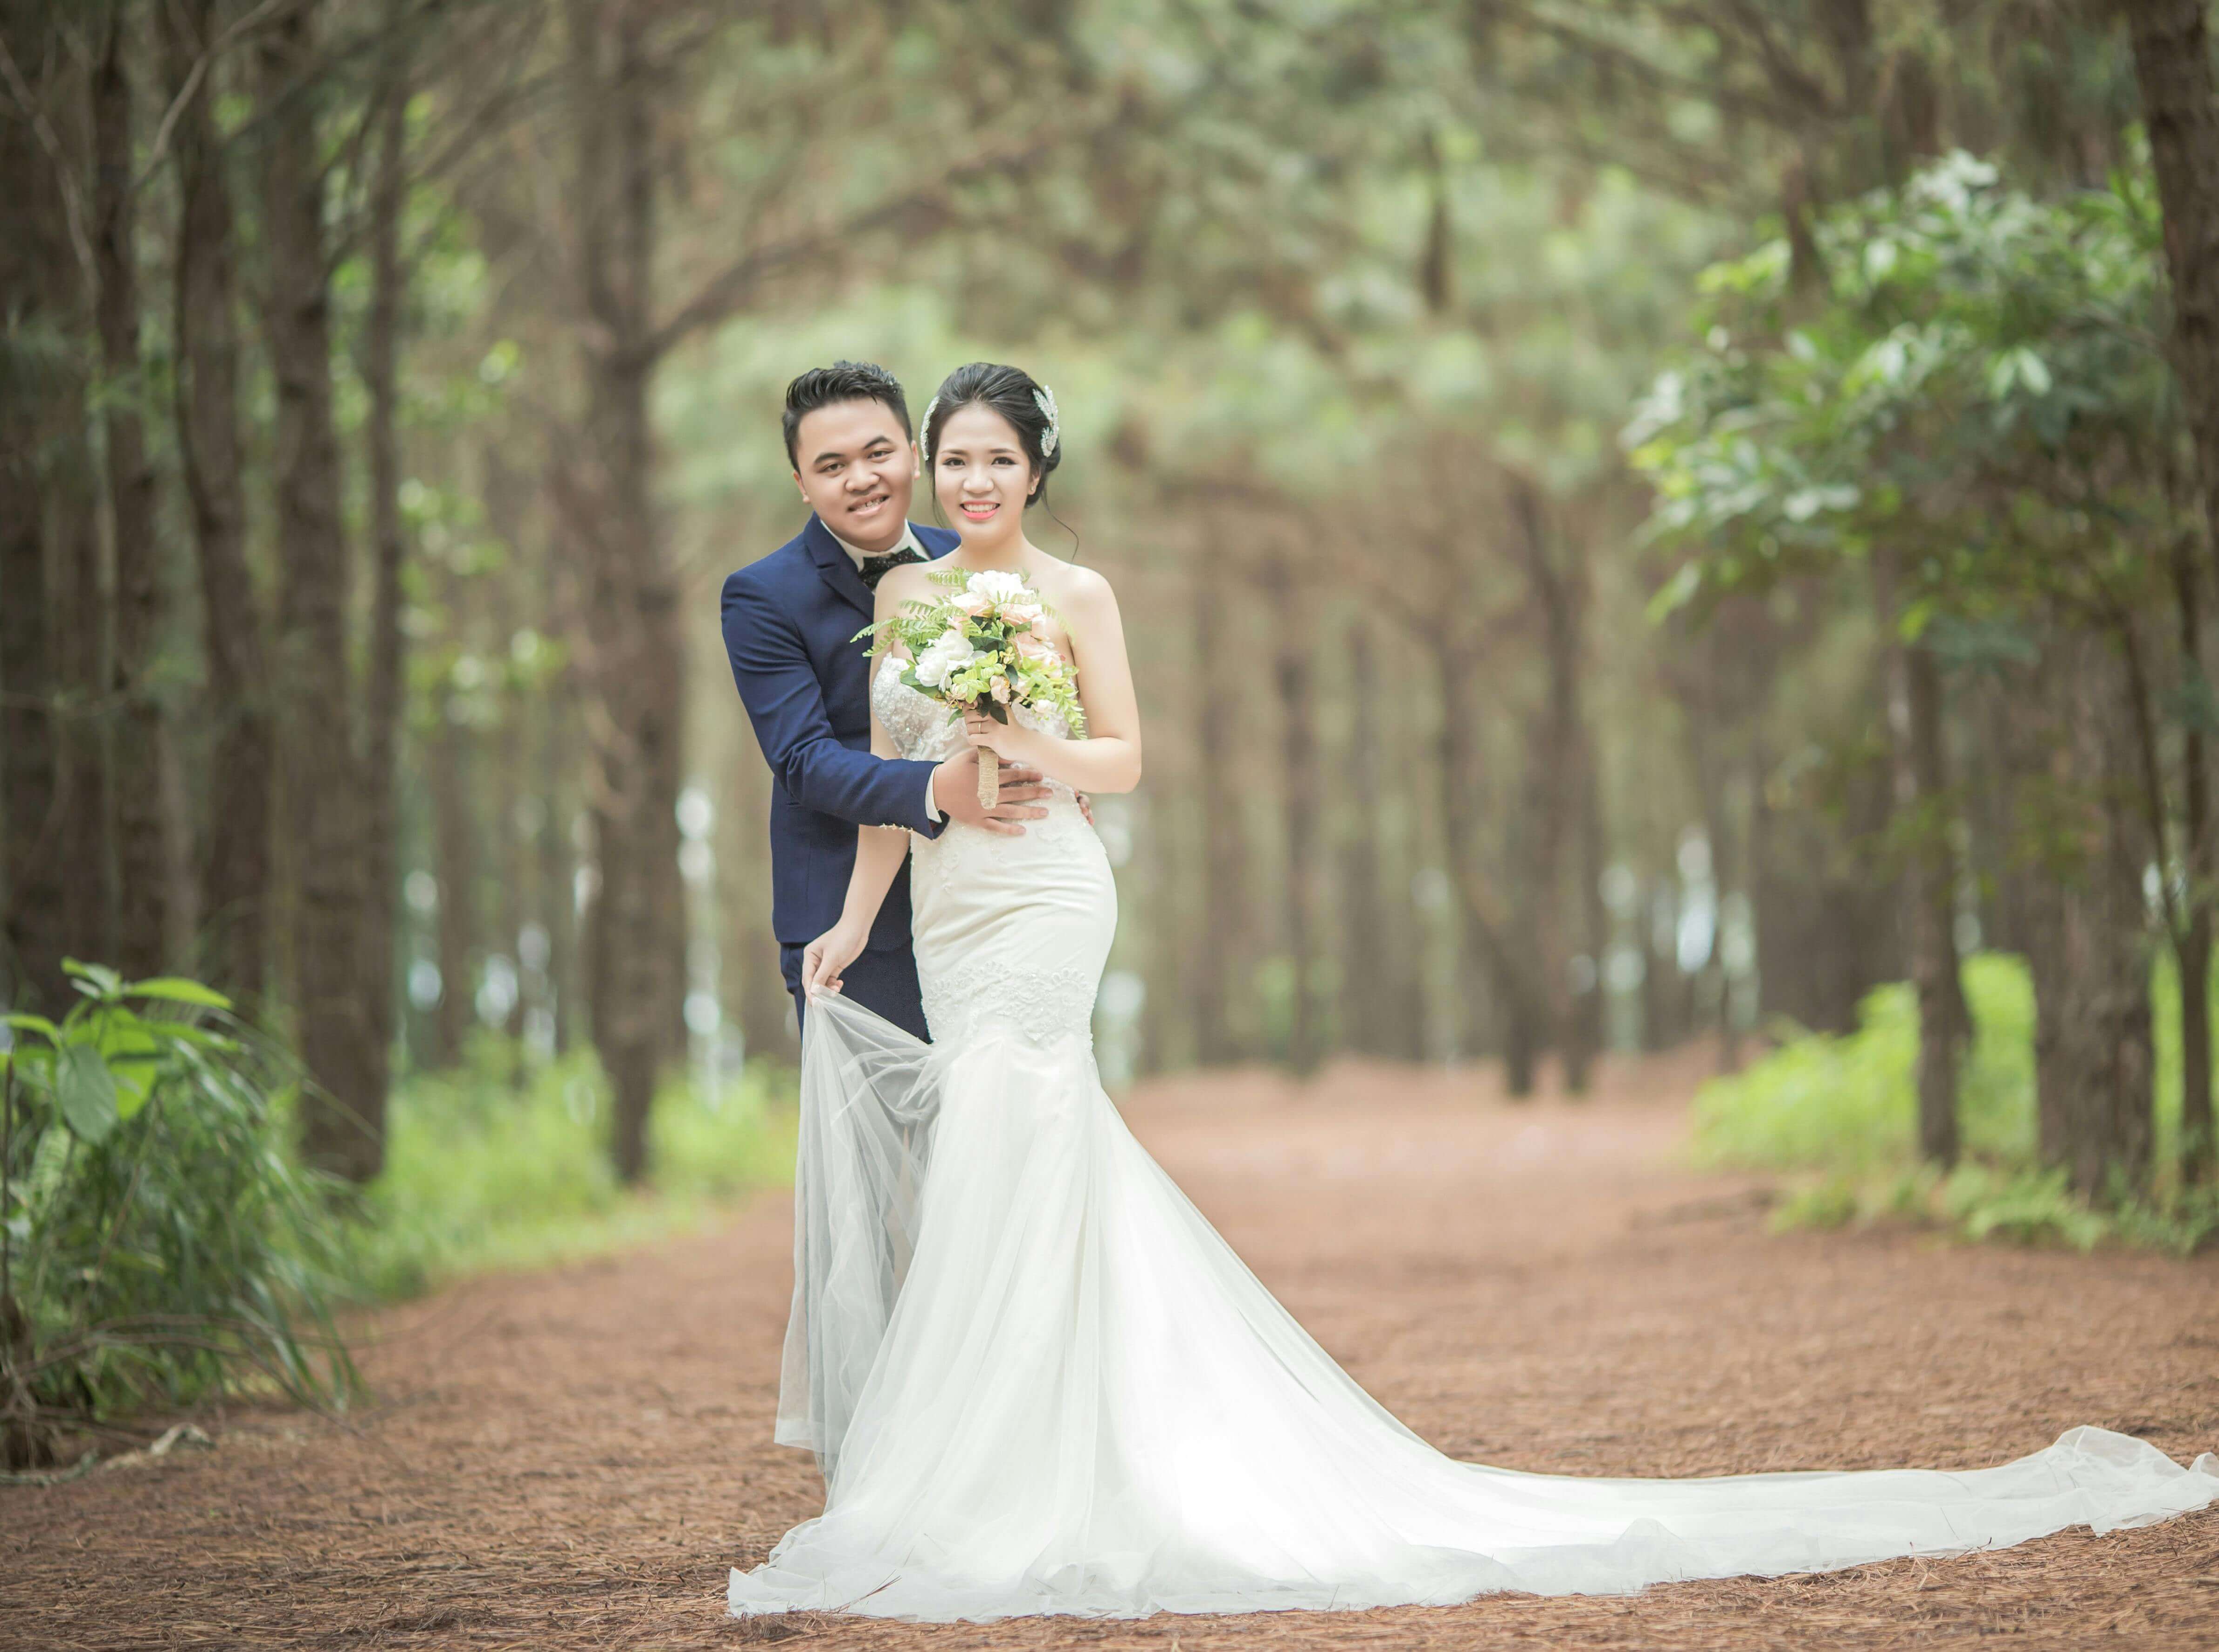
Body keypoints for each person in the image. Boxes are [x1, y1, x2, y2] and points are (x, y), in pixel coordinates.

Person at [728, 361, 2219, 1624]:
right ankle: (1011, 1455)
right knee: (1012, 1157)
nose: (964, 478)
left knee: (1019, 1120)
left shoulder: (1079, 592)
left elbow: (1126, 761)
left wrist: (1032, 752)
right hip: (949, 895)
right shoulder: (911, 595)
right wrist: (860, 916)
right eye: (952, 459)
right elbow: (876, 790)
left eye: (992, 457)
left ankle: (1027, 1475)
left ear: (1035, 470)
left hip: (1046, 896)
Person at [720, 360, 1065, 1041]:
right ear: (801, 484)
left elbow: (1042, 699)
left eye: (879, 453)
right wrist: (939, 787)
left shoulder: (974, 558)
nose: (861, 477)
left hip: (987, 900)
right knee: (881, 1147)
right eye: (831, 464)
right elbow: (804, 762)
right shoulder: (762, 596)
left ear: (914, 454)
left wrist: (1058, 771)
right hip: (849, 926)